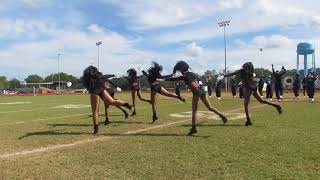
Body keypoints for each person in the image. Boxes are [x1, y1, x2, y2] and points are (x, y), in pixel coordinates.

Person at [164, 61, 227, 135]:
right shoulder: (193, 74)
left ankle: (194, 128)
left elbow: (174, 79)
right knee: (210, 107)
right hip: (202, 90)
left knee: (194, 111)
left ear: (182, 70)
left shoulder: (184, 76)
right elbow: (201, 81)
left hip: (196, 92)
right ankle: (221, 115)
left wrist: (164, 79)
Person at [81, 66, 133, 134]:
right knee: (112, 101)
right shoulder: (99, 76)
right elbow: (106, 76)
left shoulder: (87, 78)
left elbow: (83, 82)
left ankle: (96, 129)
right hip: (102, 90)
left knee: (95, 111)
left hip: (94, 92)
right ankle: (127, 105)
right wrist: (113, 75)